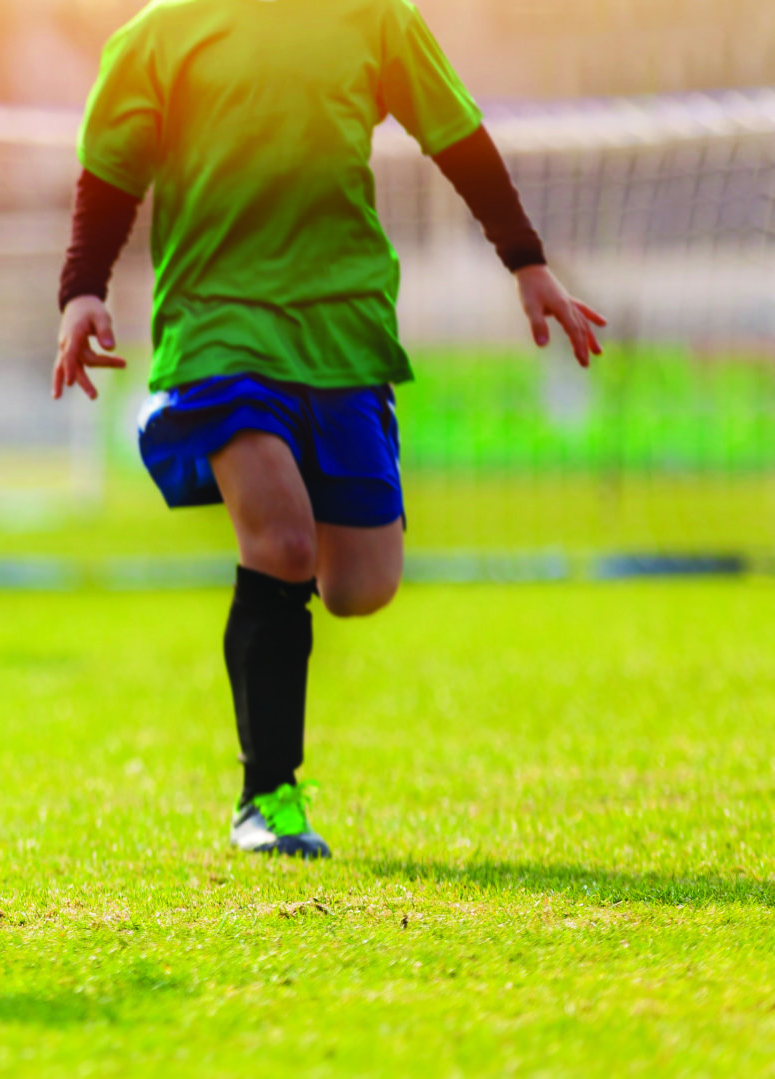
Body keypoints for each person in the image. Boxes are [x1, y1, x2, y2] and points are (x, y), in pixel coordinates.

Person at [52, 0, 605, 858]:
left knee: (361, 585)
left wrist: (527, 263)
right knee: (280, 543)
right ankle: (267, 798)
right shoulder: (159, 33)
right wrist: (82, 289)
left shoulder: (376, 17)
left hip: (345, 325)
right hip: (220, 322)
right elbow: (110, 171)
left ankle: (264, 480)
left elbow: (456, 135)